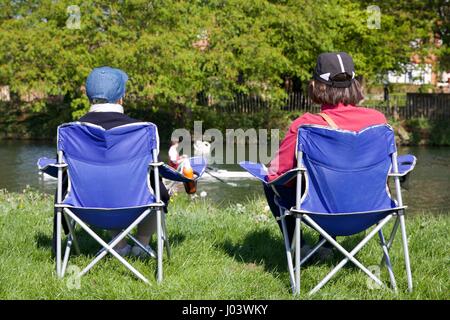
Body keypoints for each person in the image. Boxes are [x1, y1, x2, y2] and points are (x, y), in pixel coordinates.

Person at [265, 52, 387, 260]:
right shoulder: (378, 121)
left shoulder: (306, 126)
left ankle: (299, 246)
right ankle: (327, 247)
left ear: (315, 86)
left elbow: (277, 173)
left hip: (320, 213)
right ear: (355, 85)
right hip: (371, 211)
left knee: (272, 184)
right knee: (343, 181)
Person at [54, 66, 170, 258]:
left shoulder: (70, 132)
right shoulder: (141, 130)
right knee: (155, 185)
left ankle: (119, 245)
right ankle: (141, 244)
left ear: (89, 98)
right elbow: (156, 173)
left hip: (83, 209)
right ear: (121, 98)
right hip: (137, 207)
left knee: (102, 181)